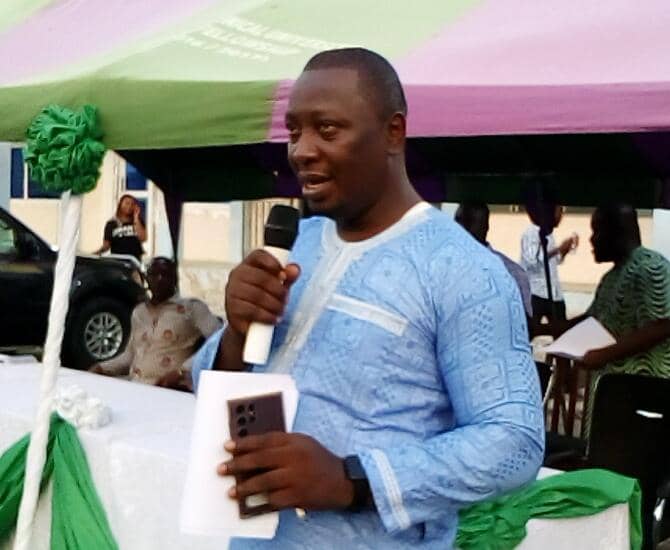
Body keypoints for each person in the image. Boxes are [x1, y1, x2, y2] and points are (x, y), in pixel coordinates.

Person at [192, 48, 544, 548]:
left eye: (327, 129)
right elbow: (209, 386)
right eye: (293, 131)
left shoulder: (464, 270)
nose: (301, 151)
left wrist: (352, 479)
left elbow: (514, 441)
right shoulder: (296, 245)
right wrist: (236, 332)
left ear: (393, 132)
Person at [573, 205, 670, 430]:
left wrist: (603, 354)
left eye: (597, 231)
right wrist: (545, 329)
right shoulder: (612, 277)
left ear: (617, 232)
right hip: (615, 393)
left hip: (643, 395)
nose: (592, 240)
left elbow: (663, 325)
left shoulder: (650, 267)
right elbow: (591, 319)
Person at [90, 257, 222, 390]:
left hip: (169, 389)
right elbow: (129, 355)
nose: (160, 279)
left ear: (175, 279)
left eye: (165, 275)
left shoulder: (191, 308)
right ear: (147, 279)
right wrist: (102, 368)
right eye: (154, 275)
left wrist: (183, 371)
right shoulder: (139, 312)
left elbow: (218, 340)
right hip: (136, 384)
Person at [455, 202, 533, 321]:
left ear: (486, 226)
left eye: (469, 221)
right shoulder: (443, 270)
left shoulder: (513, 273)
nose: (462, 229)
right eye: (458, 221)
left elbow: (524, 324)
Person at [520, 192, 578, 330]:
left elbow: (553, 261)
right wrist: (558, 249)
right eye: (559, 210)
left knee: (561, 331)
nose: (561, 215)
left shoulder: (549, 234)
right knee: (529, 331)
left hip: (553, 293)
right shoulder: (531, 232)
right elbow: (532, 260)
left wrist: (565, 250)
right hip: (536, 292)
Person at [95, 194, 147, 261]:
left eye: (132, 204)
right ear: (120, 204)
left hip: (134, 261)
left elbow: (143, 238)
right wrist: (95, 254)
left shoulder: (138, 222)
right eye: (127, 203)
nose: (129, 206)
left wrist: (136, 217)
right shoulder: (111, 224)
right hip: (118, 262)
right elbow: (106, 245)